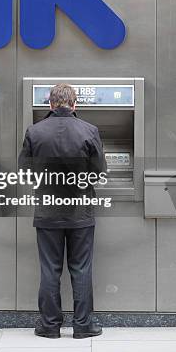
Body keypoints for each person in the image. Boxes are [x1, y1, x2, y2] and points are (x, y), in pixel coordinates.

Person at [18, 83, 107, 339]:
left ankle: (50, 325)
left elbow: (24, 170)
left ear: (50, 104)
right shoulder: (89, 131)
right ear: (75, 104)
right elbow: (99, 171)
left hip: (48, 213)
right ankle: (82, 326)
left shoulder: (35, 132)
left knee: (50, 269)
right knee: (80, 268)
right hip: (80, 213)